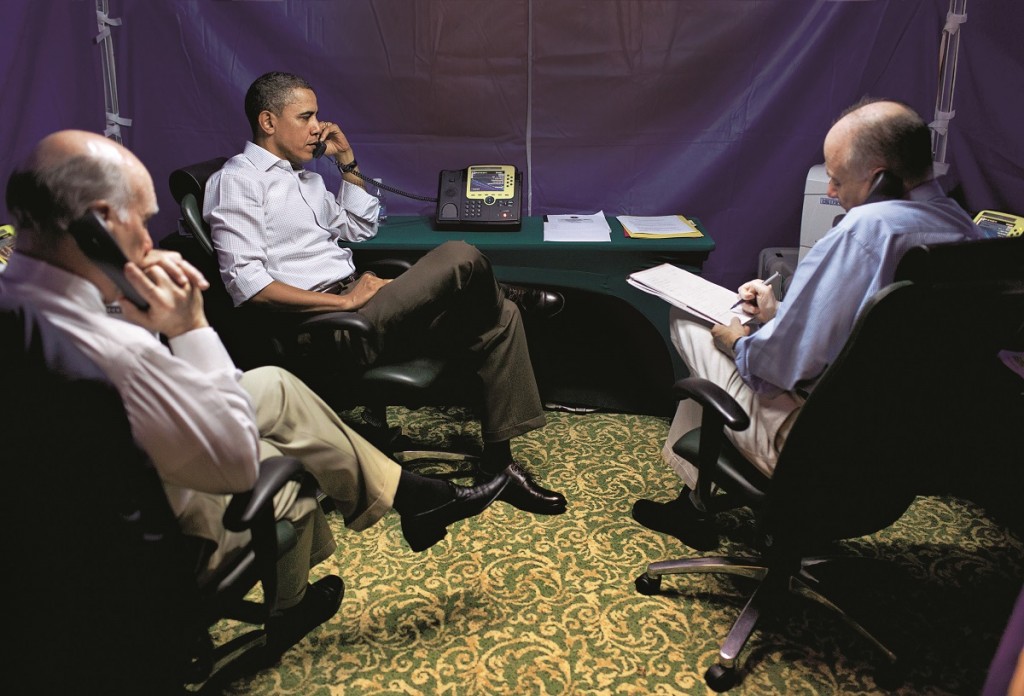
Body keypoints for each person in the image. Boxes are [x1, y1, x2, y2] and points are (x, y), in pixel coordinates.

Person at [0, 129, 513, 654]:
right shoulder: (101, 347)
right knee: (287, 462)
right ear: (100, 225)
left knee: (274, 388)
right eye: (141, 221)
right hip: (127, 537)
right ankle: (296, 600)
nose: (150, 243)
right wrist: (189, 326)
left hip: (67, 509)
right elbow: (235, 464)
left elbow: (359, 225)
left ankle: (413, 496)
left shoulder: (26, 300)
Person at [204, 71, 567, 516]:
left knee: (503, 317)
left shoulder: (307, 180)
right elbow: (248, 285)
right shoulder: (238, 181)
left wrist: (347, 163)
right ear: (268, 121)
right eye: (306, 116)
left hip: (362, 303)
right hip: (327, 327)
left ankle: (500, 466)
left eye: (316, 115)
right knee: (459, 254)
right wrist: (344, 301)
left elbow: (358, 227)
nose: (319, 126)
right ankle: (509, 289)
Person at [632, 98, 984, 549]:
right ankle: (692, 502)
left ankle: (696, 510)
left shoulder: (863, 231)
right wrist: (780, 315)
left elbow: (775, 369)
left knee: (690, 319)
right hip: (899, 453)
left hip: (812, 448)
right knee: (735, 353)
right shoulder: (964, 233)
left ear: (879, 180)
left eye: (836, 179)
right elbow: (878, 342)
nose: (832, 192)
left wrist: (739, 338)